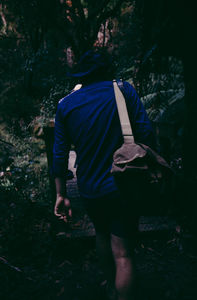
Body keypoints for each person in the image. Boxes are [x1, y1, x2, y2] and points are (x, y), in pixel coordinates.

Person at [52, 49, 156, 300]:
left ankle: (111, 287)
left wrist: (60, 195)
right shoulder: (123, 91)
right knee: (123, 253)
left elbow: (59, 155)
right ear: (108, 70)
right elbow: (147, 133)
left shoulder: (65, 105)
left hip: (90, 187)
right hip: (125, 183)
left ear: (81, 74)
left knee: (101, 232)